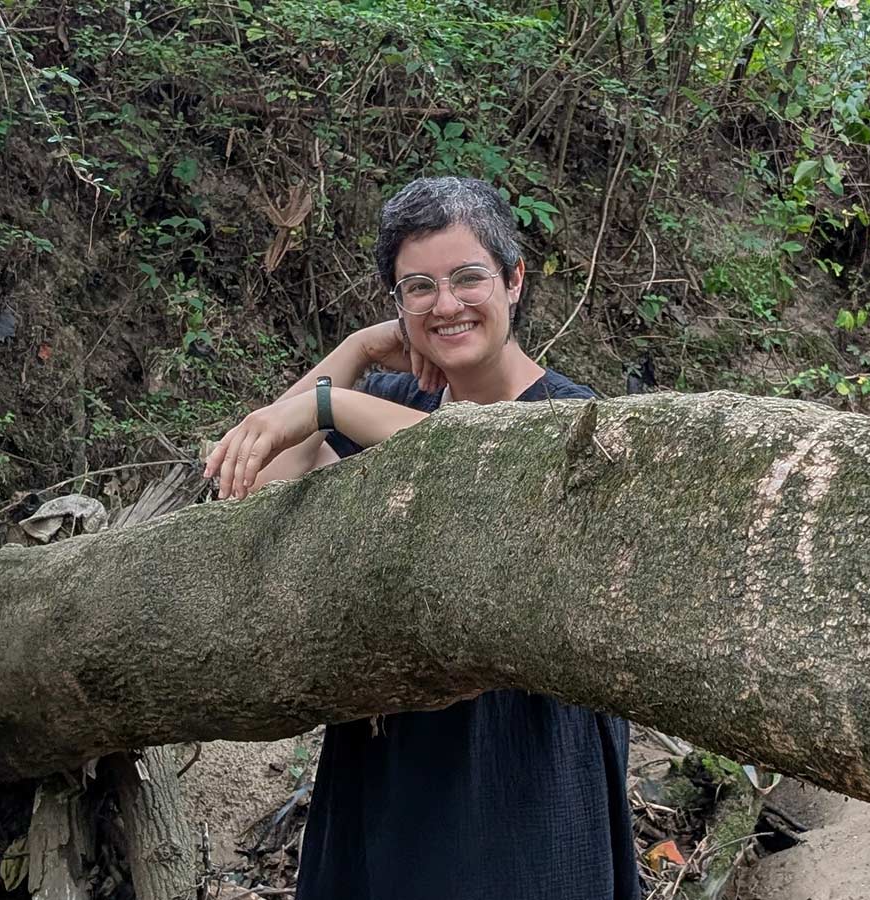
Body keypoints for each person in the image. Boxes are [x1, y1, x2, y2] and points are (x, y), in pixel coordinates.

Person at [203, 176, 639, 900]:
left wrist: (327, 404)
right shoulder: (394, 403)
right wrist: (356, 350)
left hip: (520, 769)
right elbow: (266, 489)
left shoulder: (574, 418)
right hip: (392, 759)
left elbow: (483, 474)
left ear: (514, 279)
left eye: (469, 278)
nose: (447, 304)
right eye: (418, 289)